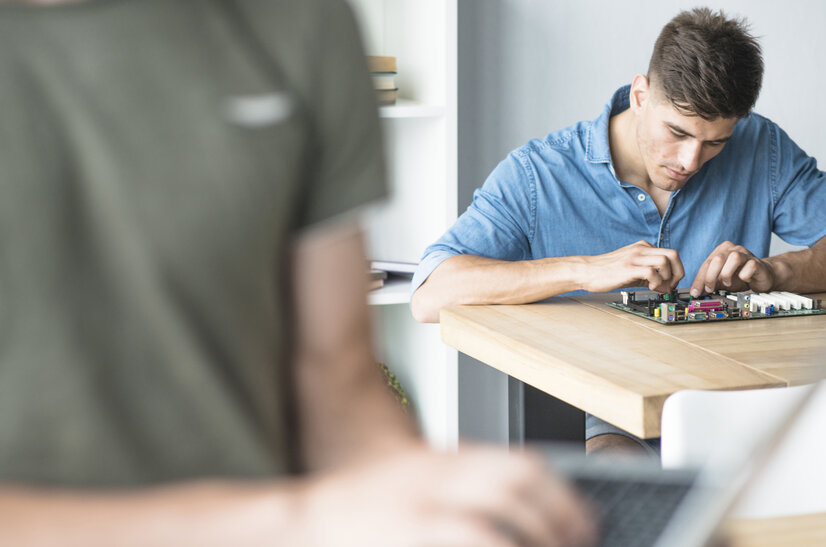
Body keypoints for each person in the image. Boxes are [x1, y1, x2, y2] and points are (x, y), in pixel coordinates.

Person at [0, 1, 595, 545]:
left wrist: (425, 489)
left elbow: (336, 379)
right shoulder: (541, 172)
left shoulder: (298, 23)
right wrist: (295, 520)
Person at [410, 8, 826, 455]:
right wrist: (585, 270)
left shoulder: (760, 146)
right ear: (640, 95)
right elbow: (430, 294)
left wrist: (777, 271)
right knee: (621, 487)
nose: (690, 161)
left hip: (738, 406)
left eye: (715, 143)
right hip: (602, 421)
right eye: (678, 133)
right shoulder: (539, 173)